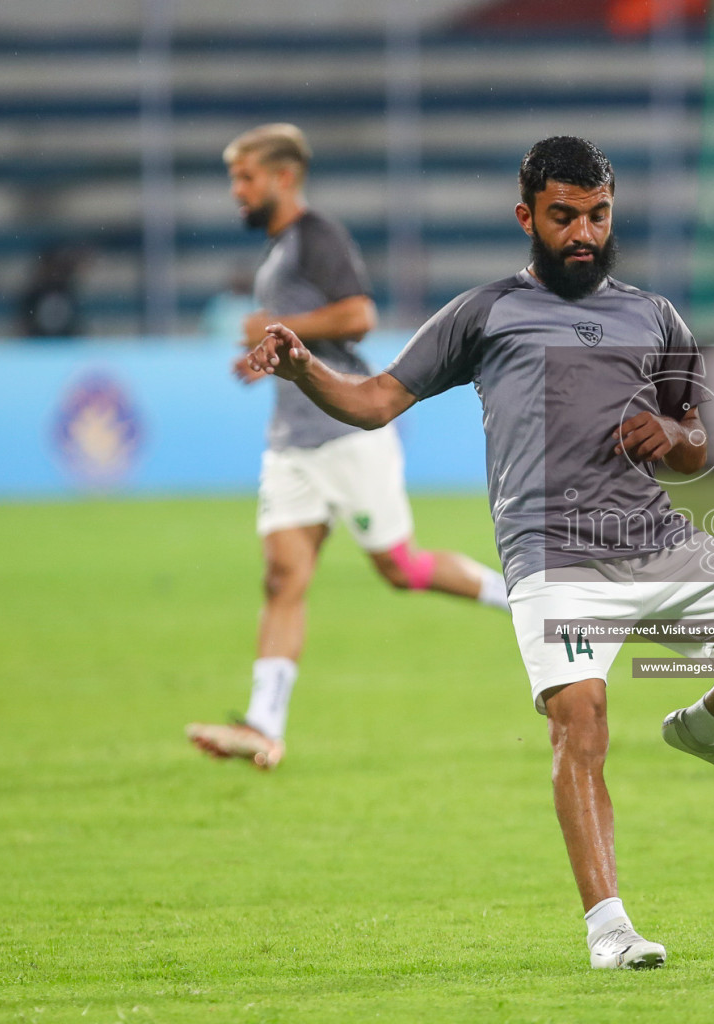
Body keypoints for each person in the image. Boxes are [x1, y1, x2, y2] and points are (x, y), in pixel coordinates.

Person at [243, 136, 714, 970]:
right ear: (528, 216)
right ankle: (610, 929)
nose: (583, 233)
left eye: (597, 215)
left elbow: (699, 443)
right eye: (564, 217)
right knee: (581, 723)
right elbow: (377, 400)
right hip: (554, 561)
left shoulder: (655, 315)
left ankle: (704, 727)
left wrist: (674, 432)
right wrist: (306, 370)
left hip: (658, 540)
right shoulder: (484, 314)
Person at [186, 123, 510, 770]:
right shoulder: (279, 252)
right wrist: (266, 354)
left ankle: (525, 597)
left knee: (402, 569)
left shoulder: (317, 237)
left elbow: (357, 314)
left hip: (343, 434)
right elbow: (300, 334)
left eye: (245, 178)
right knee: (282, 578)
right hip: (291, 442)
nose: (237, 192)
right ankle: (263, 725)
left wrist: (282, 330)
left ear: (283, 177)